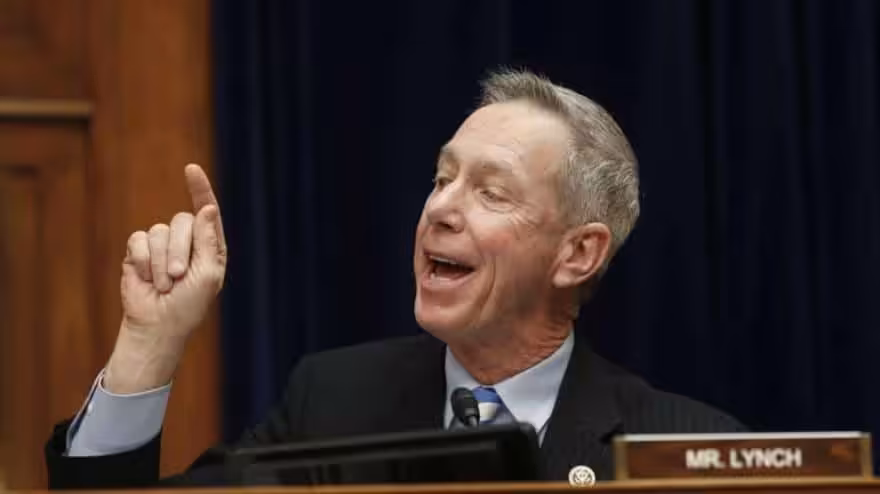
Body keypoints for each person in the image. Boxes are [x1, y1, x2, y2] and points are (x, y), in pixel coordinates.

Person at [45, 69, 744, 488]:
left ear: (578, 255)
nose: (439, 206)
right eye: (441, 178)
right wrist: (148, 344)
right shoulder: (333, 403)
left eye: (490, 192)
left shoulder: (679, 447)